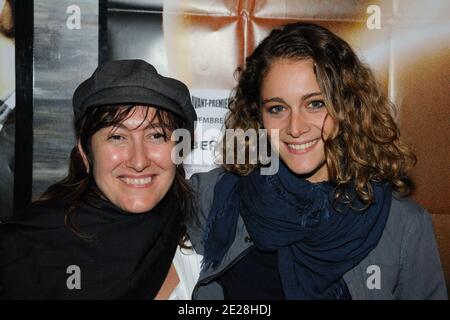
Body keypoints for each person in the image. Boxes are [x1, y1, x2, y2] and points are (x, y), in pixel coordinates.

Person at [187, 23, 448, 299]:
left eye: (315, 104)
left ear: (347, 106)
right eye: (277, 108)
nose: (295, 127)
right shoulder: (216, 197)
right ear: (258, 116)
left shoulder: (403, 227)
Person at [0, 59, 201, 299]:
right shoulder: (24, 249)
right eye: (117, 137)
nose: (139, 161)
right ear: (86, 153)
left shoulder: (204, 241)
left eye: (156, 136)